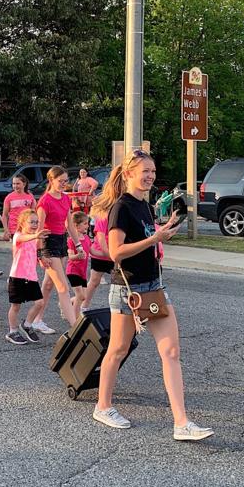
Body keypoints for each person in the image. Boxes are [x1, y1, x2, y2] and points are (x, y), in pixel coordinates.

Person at [94, 149, 213, 441]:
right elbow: (115, 252)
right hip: (128, 290)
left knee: (171, 352)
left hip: (154, 287)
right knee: (118, 350)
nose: (150, 176)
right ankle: (103, 406)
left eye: (153, 172)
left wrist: (162, 231)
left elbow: (146, 238)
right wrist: (153, 238)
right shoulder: (121, 207)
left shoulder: (144, 206)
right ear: (129, 174)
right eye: (145, 171)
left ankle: (181, 422)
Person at [30, 166, 84, 332]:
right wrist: (39, 254)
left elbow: (69, 224)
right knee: (63, 287)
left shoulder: (66, 199)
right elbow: (38, 230)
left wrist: (78, 244)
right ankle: (75, 326)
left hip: (61, 241)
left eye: (66, 181)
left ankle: (36, 320)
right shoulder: (45, 201)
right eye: (60, 181)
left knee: (48, 285)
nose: (63, 184)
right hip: (48, 243)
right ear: (51, 180)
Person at [6, 209, 49, 345]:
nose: (35, 224)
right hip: (17, 277)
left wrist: (42, 259)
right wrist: (36, 236)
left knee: (40, 303)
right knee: (16, 306)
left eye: (37, 222)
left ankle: (27, 325)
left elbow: (35, 252)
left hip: (31, 277)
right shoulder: (18, 236)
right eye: (32, 222)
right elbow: (24, 238)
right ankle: (12, 331)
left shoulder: (34, 238)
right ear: (23, 223)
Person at [81, 199, 115, 311]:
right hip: (101, 253)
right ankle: (83, 305)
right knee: (94, 281)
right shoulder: (103, 217)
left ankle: (117, 307)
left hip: (114, 252)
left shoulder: (117, 216)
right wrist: (109, 254)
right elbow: (101, 238)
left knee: (117, 282)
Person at [66, 211, 91, 321]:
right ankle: (75, 321)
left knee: (83, 297)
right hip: (73, 270)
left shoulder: (87, 238)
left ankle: (68, 302)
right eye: (85, 223)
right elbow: (71, 257)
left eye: (87, 223)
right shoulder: (71, 240)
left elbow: (93, 251)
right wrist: (78, 256)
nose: (88, 226)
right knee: (80, 296)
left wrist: (108, 255)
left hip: (83, 272)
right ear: (76, 225)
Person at [1, 175, 36, 240]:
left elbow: (33, 213)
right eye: (13, 184)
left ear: (24, 184)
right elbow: (5, 215)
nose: (15, 186)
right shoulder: (9, 197)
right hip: (14, 229)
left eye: (18, 183)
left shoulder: (30, 196)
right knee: (19, 249)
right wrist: (6, 230)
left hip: (27, 228)